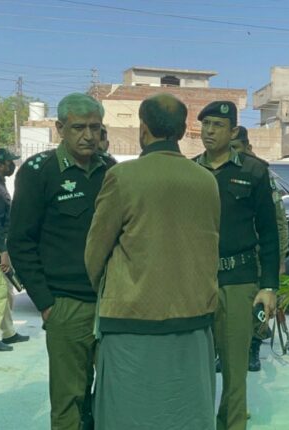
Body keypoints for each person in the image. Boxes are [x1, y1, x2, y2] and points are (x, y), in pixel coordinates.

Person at [85, 93, 220, 429]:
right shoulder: (206, 180)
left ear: (142, 129)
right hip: (193, 319)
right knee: (186, 412)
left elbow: (95, 252)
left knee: (129, 414)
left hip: (132, 320)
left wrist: (108, 290)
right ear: (183, 130)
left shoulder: (123, 177)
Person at [8, 93, 114, 430]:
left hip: (111, 302)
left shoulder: (110, 170)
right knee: (69, 399)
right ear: (60, 129)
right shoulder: (39, 171)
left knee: (112, 395)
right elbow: (20, 241)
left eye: (95, 127)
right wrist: (45, 302)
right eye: (79, 127)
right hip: (66, 305)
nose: (88, 135)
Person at [193, 101, 278, 430]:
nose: (209, 131)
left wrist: (268, 286)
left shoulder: (253, 171)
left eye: (217, 125)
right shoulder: (190, 171)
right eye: (206, 124)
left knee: (234, 366)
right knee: (196, 366)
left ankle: (232, 424)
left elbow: (268, 233)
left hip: (239, 280)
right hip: (196, 281)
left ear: (232, 133)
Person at [228, 125, 289, 372]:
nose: (232, 152)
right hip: (237, 252)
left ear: (248, 146)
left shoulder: (260, 173)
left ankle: (254, 347)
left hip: (261, 252)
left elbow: (278, 222)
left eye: (236, 147)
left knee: (259, 305)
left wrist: (279, 260)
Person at [0, 147, 29, 352]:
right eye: (10, 162)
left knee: (6, 291)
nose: (13, 165)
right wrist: (3, 252)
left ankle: (8, 333)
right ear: (1, 165)